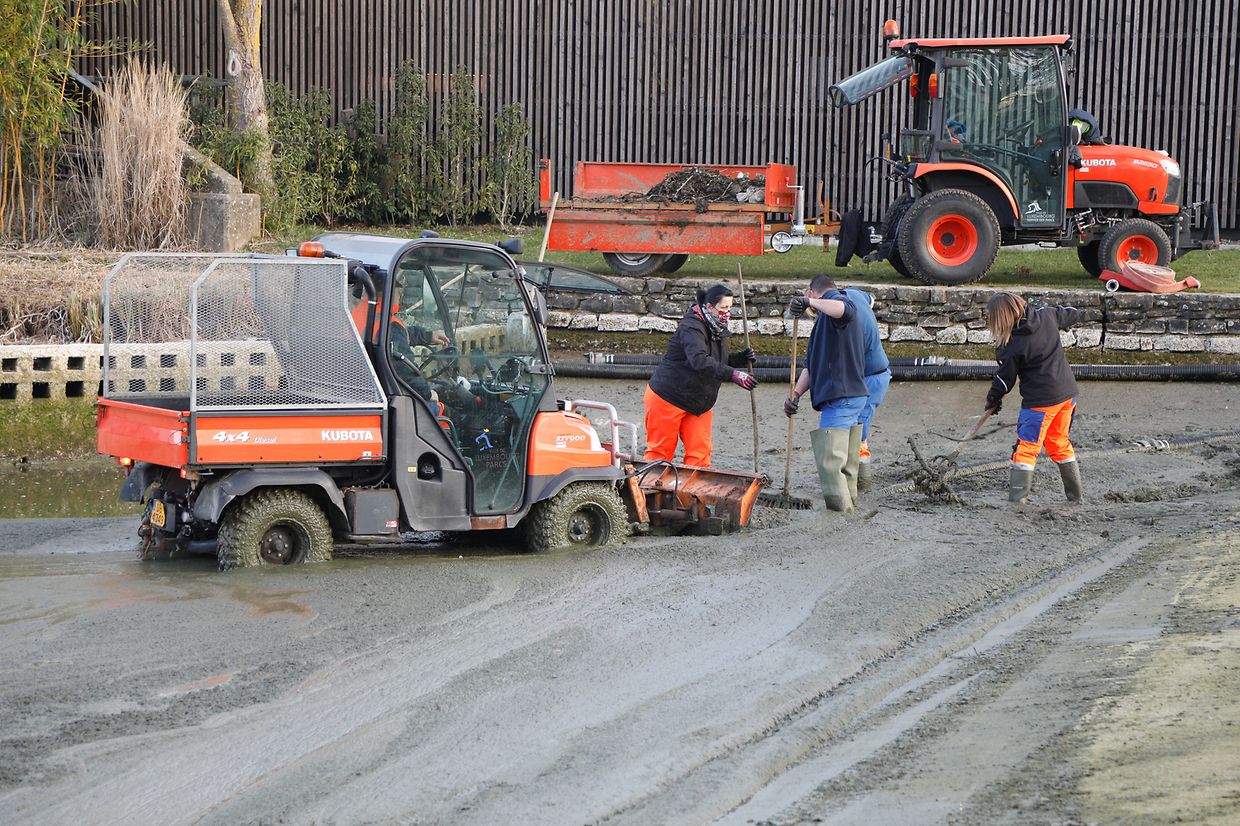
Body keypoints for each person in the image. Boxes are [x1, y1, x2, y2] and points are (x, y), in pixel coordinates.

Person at [984, 292, 1084, 505]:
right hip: (1067, 394)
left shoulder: (1010, 344)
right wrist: (1069, 316)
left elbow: (1004, 381)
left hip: (1040, 403)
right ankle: (1075, 498)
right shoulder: (1047, 315)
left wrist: (993, 399)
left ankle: (1017, 503)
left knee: (1027, 448)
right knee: (1059, 443)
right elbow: (1072, 313)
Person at [644, 283, 757, 467]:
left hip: (698, 402)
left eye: (730, 308)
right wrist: (734, 375)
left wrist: (740, 359)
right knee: (660, 454)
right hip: (668, 397)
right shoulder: (691, 327)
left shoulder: (717, 326)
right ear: (710, 307)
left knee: (700, 455)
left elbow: (718, 360)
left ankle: (697, 485)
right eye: (724, 308)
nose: (728, 313)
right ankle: (652, 484)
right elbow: (699, 360)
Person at [783, 274, 868, 512]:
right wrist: (795, 394)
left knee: (831, 464)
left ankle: (839, 517)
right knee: (845, 464)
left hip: (841, 398)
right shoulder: (824, 323)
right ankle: (851, 512)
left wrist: (810, 302)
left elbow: (845, 309)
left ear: (812, 292)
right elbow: (811, 367)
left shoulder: (839, 306)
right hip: (850, 396)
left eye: (808, 297)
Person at [838, 285, 890, 492]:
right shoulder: (854, 293)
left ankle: (862, 482)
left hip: (872, 378)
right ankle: (855, 478)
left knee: (859, 429)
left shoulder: (844, 318)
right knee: (856, 426)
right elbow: (872, 299)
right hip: (874, 373)